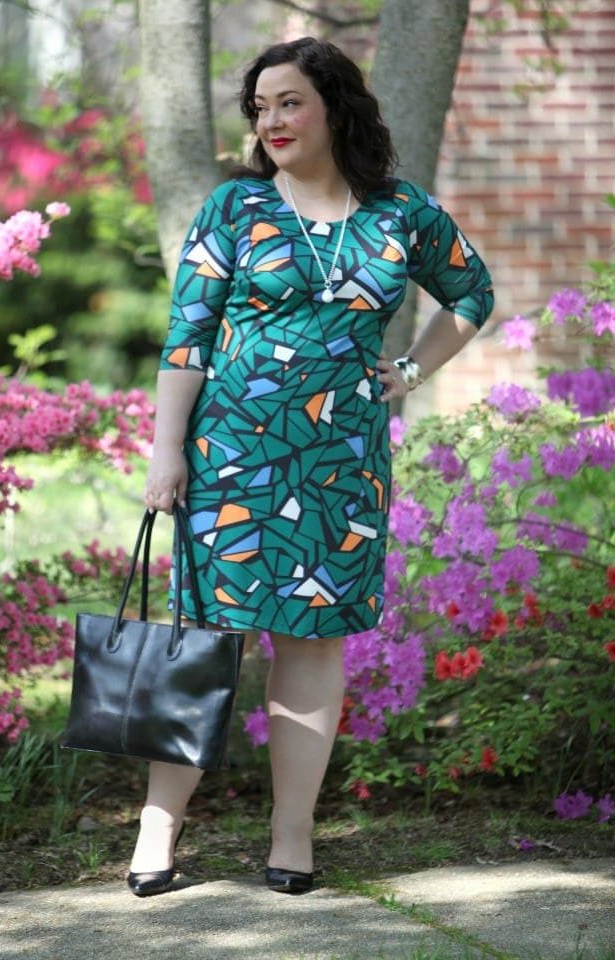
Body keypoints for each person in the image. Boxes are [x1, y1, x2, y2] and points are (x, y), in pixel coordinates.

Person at [127, 36, 494, 898]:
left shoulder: (399, 212)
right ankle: (156, 830)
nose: (272, 120)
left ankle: (292, 836)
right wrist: (166, 451)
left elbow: (471, 293)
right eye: (260, 107)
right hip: (233, 458)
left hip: (340, 465)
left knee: (313, 644)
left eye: (288, 101)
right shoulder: (237, 208)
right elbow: (186, 342)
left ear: (334, 104)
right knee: (202, 639)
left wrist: (407, 375)